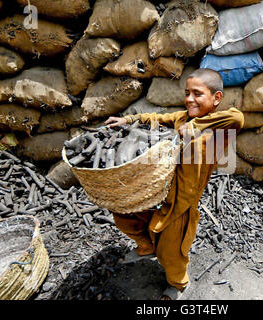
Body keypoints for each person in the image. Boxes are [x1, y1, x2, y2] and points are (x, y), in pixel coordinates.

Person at [104, 68, 244, 300]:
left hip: (181, 202)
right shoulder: (181, 117)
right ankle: (146, 248)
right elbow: (157, 119)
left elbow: (238, 117)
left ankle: (177, 284)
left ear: (216, 98)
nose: (189, 99)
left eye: (198, 94)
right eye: (187, 93)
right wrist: (128, 119)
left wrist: (194, 127)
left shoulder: (220, 129)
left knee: (171, 252)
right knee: (123, 215)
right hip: (155, 190)